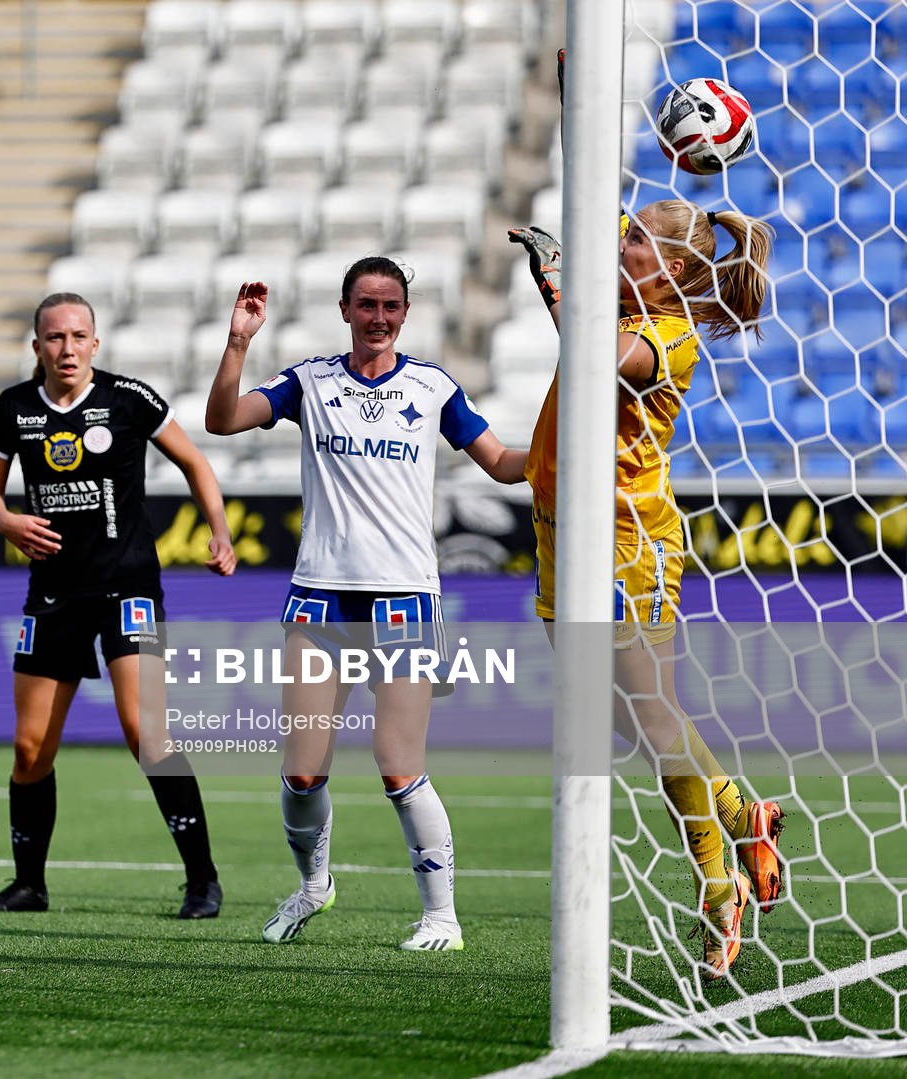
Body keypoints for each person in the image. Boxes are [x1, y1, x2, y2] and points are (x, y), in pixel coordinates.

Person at [205, 260, 528, 952]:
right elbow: (224, 419)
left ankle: (441, 916)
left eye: (391, 305)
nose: (379, 316)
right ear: (345, 308)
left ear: (405, 313)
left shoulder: (434, 386)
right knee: (301, 768)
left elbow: (501, 462)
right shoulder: (309, 382)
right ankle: (315, 885)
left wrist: (569, 446)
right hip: (320, 597)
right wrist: (238, 343)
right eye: (366, 304)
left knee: (397, 761)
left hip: (406, 599)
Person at [507, 199, 784, 981]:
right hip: (560, 528)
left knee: (653, 716)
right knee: (629, 723)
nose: (617, 244)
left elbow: (601, 358)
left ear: (672, 267)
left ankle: (718, 886)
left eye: (633, 239)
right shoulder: (618, 307)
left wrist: (560, 286)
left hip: (629, 539)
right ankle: (738, 813)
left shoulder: (666, 334)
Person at [0, 292, 238, 918]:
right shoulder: (14, 407)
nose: (67, 348)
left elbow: (196, 462)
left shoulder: (129, 399)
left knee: (145, 731)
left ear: (96, 343)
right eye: (55, 338)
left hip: (129, 588)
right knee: (30, 749)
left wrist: (219, 530)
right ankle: (30, 885)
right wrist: (8, 521)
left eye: (78, 336)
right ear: (37, 346)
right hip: (53, 594)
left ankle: (202, 879)